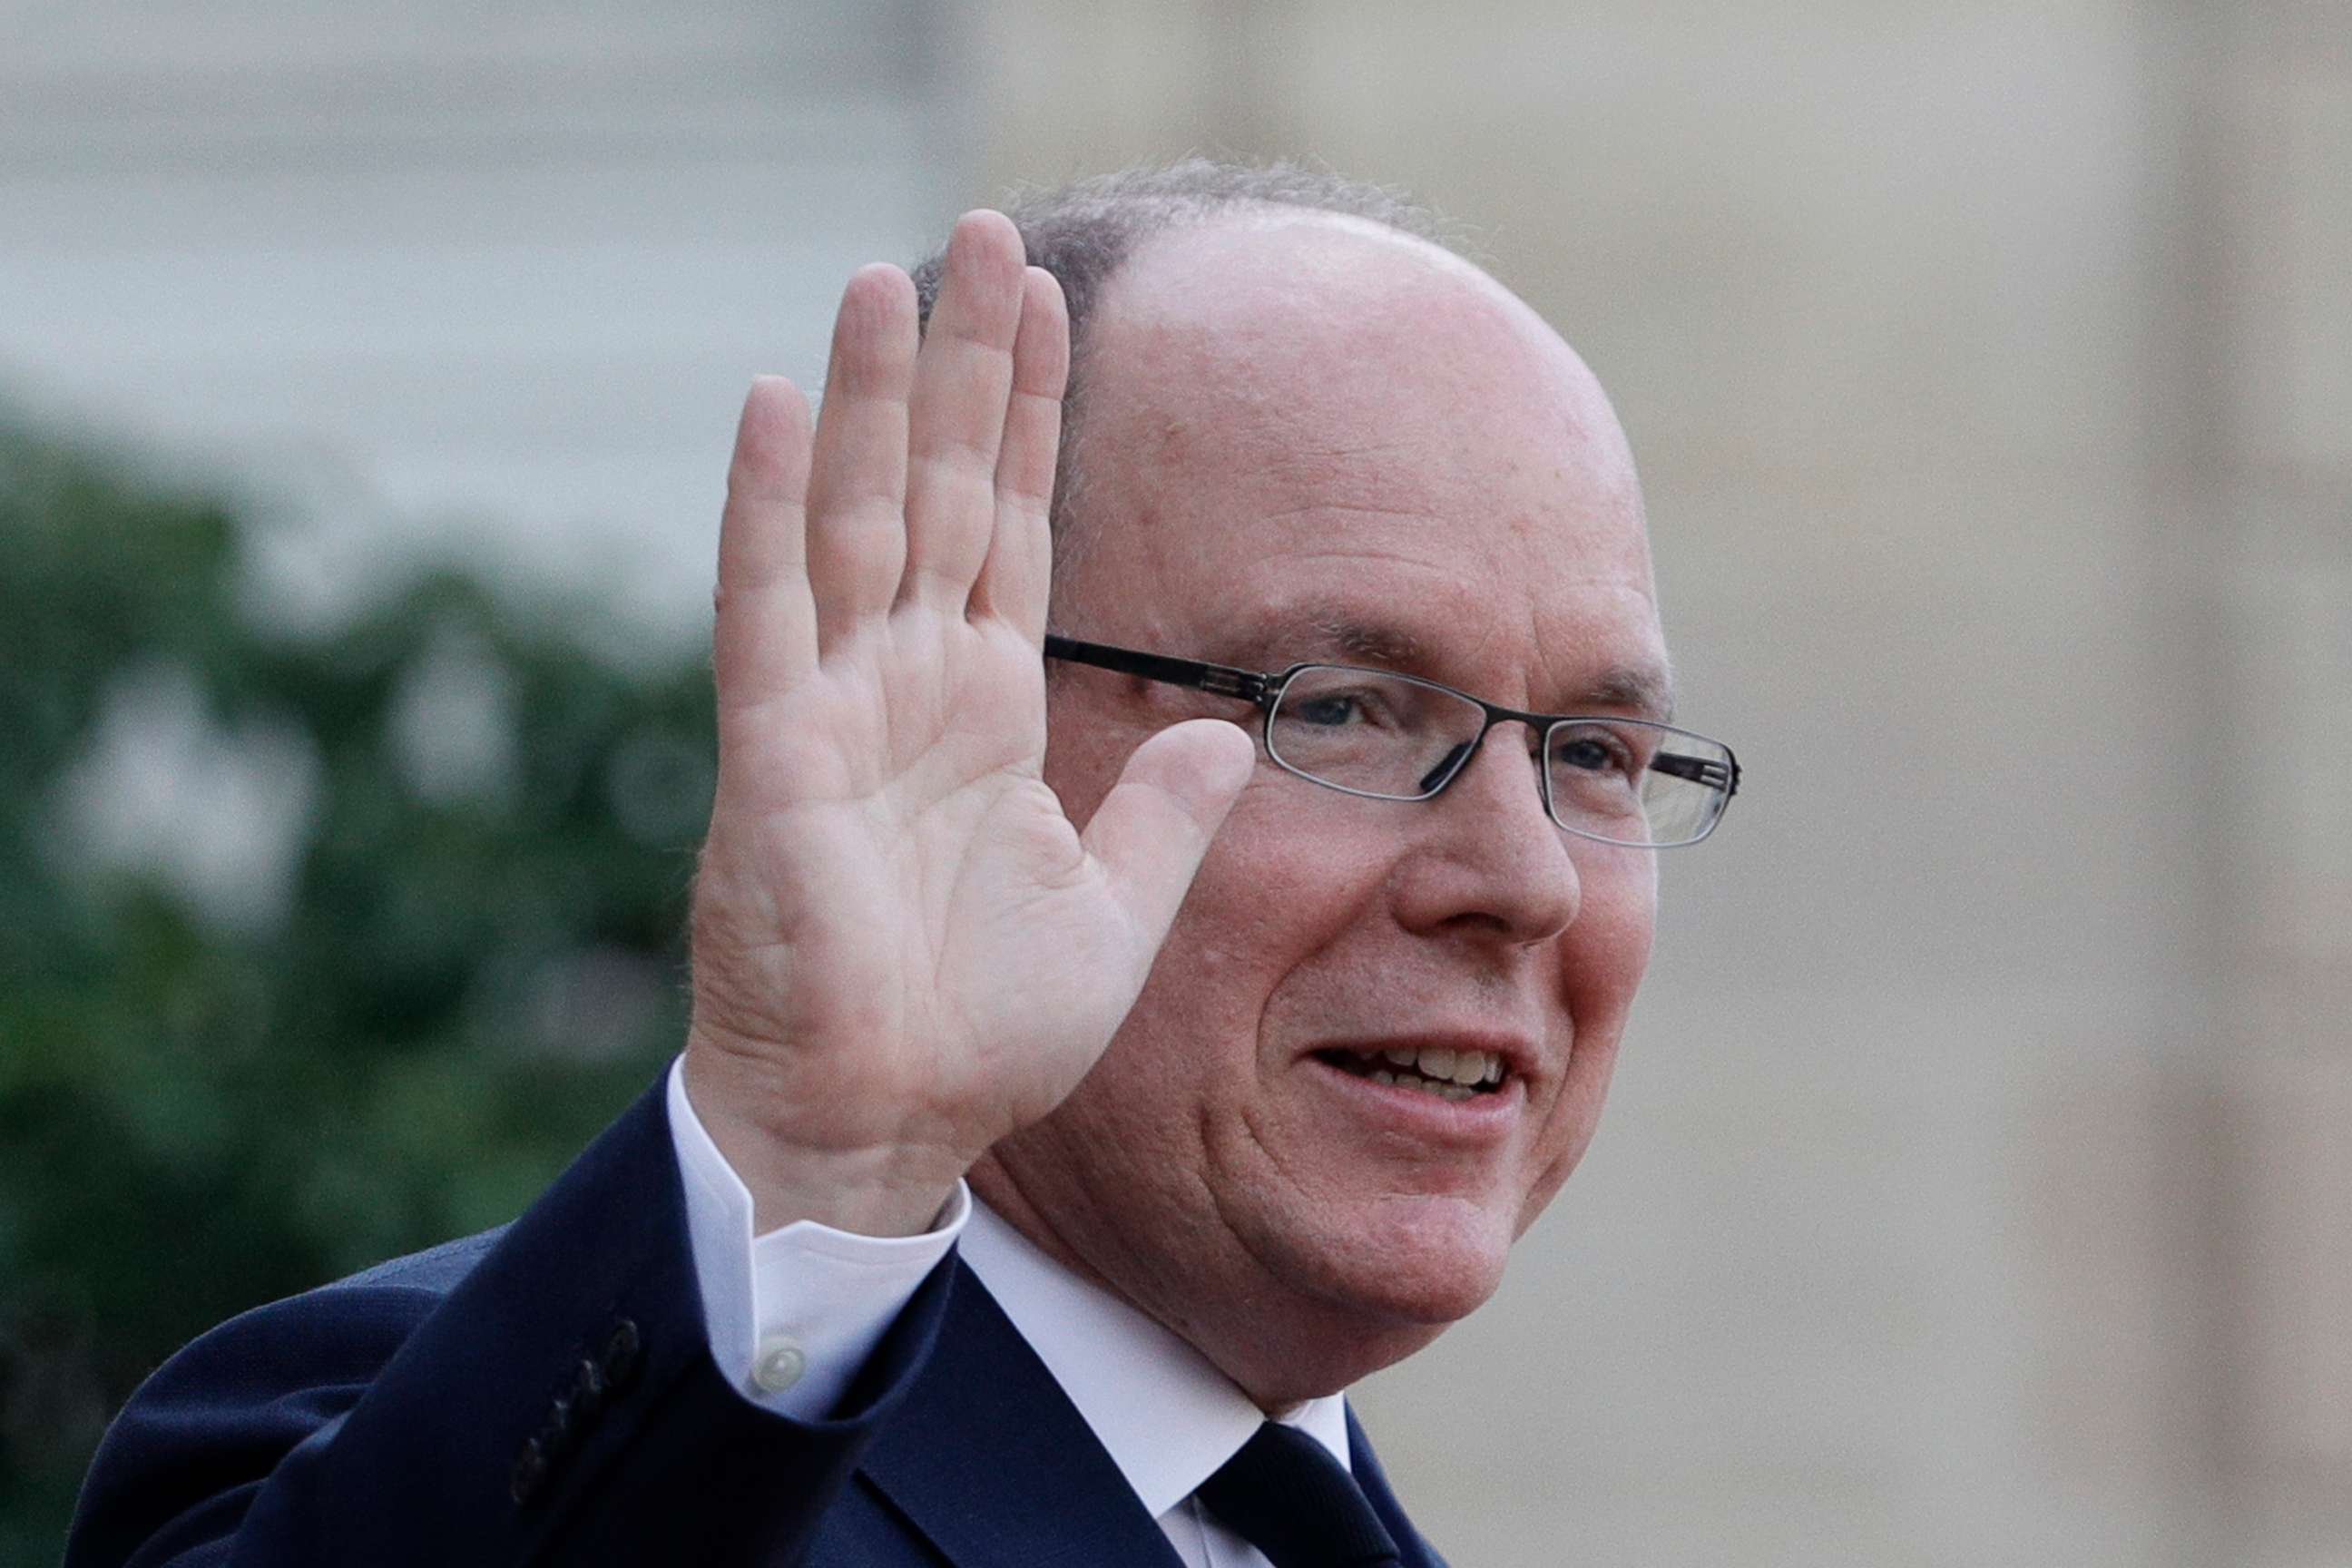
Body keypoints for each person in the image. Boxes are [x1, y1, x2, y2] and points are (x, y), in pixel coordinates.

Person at [65, 161, 1739, 1567]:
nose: (1521, 878)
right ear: (957, 712)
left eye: (1591, 752)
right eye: (1347, 710)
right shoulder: (477, 1454)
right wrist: (820, 1159)